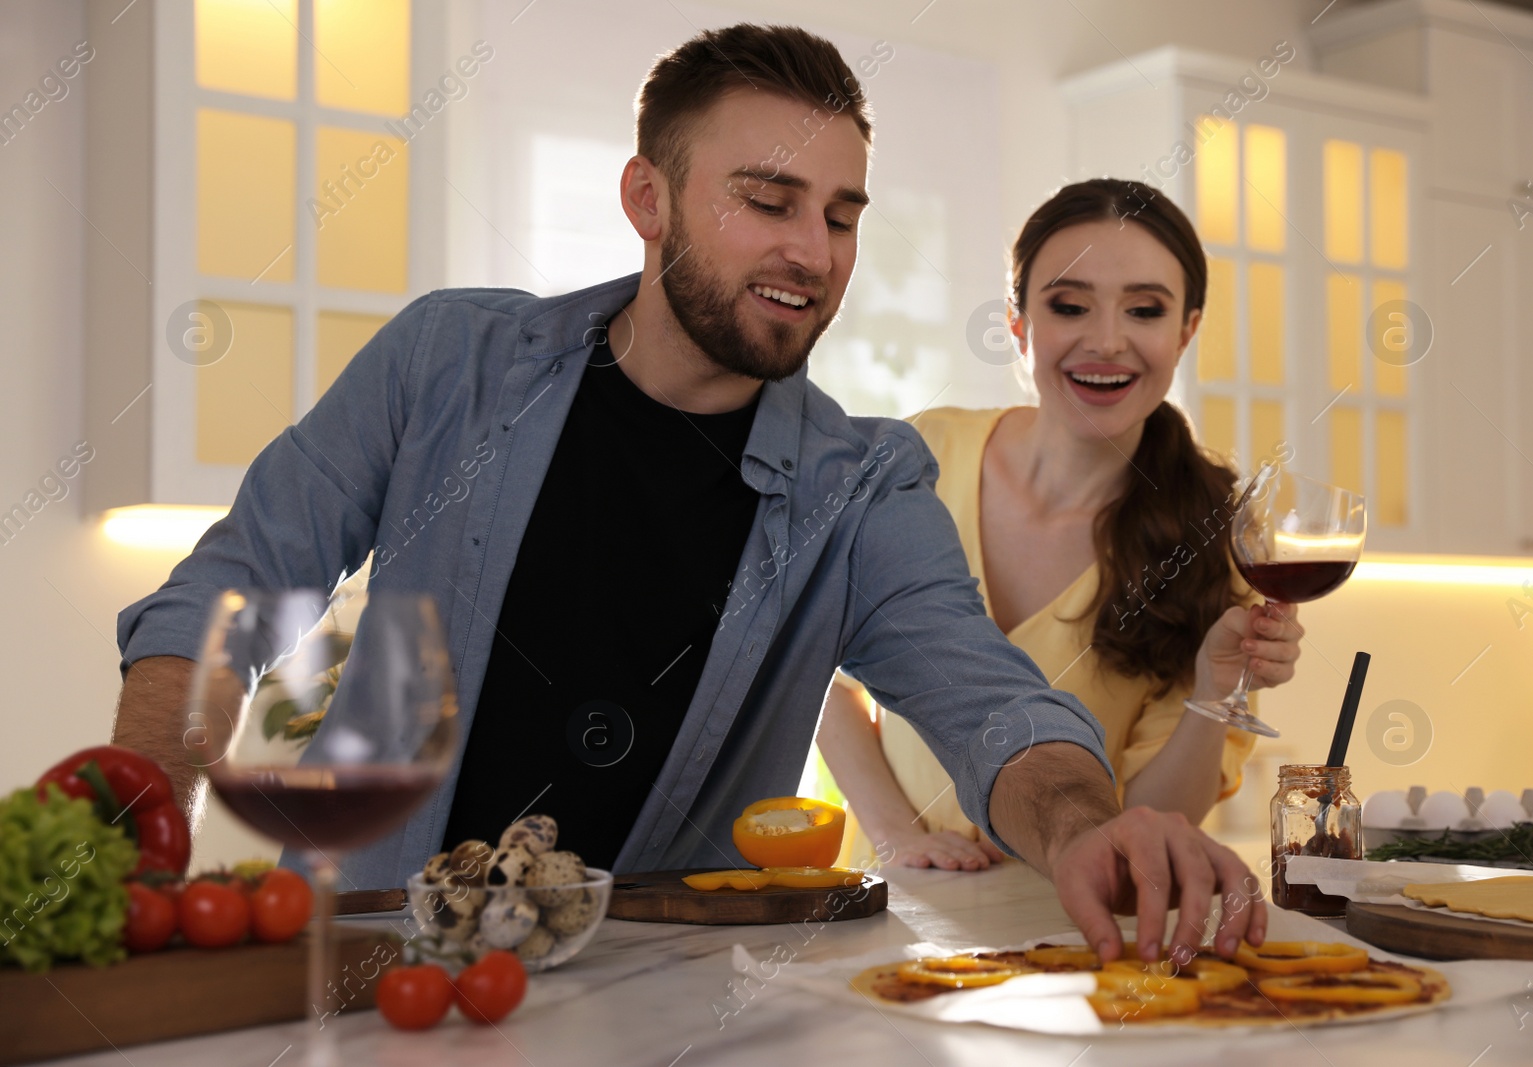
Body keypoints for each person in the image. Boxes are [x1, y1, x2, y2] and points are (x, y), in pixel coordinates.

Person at [112, 26, 1264, 964]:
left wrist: (1080, 825)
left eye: (842, 214)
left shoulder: (860, 483)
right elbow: (238, 586)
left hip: (648, 1000)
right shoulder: (447, 363)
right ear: (646, 197)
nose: (813, 253)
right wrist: (140, 817)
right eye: (768, 201)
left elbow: (985, 701)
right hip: (368, 964)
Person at [818, 179, 1302, 871]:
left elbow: (1154, 818)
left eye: (1144, 310)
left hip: (1066, 936)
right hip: (886, 901)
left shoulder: (1213, 539)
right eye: (1069, 306)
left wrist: (1215, 689)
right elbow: (822, 671)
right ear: (1017, 323)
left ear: (1186, 330)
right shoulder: (919, 458)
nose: (1106, 341)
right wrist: (898, 837)